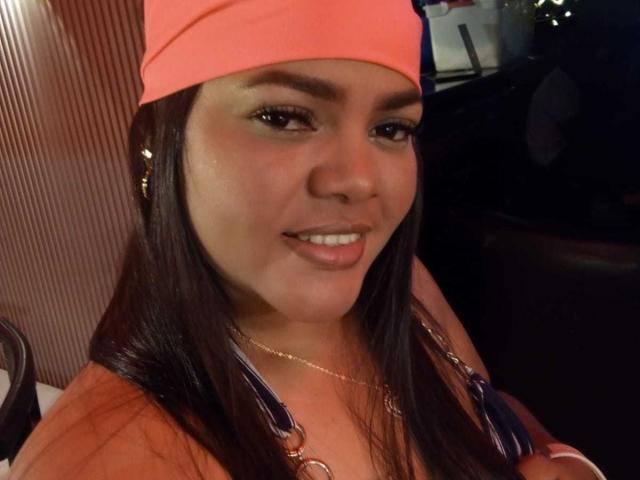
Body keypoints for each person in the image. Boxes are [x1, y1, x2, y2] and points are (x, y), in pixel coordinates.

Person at [8, 1, 606, 479]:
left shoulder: (401, 287)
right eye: (285, 117)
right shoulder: (107, 459)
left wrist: (564, 459)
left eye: (391, 128)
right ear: (158, 143)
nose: (359, 180)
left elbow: (484, 408)